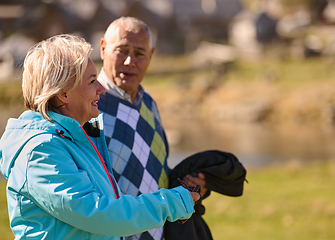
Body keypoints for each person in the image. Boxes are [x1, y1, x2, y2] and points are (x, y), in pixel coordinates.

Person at [0, 34, 200, 240]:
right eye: (92, 81)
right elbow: (99, 215)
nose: (101, 89)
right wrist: (172, 202)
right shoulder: (41, 150)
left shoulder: (76, 137)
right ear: (63, 93)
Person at [97, 17, 208, 240]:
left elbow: (155, 168)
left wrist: (185, 185)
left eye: (139, 53)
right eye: (121, 50)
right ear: (103, 48)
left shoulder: (148, 104)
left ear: (151, 55)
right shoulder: (89, 105)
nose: (130, 61)